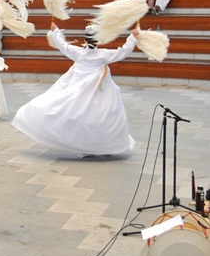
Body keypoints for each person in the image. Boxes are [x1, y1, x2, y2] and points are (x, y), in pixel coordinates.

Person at [12, 22, 139, 157]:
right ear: (98, 41)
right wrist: (133, 37)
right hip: (98, 94)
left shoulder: (78, 53)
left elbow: (62, 45)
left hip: (78, 91)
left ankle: (87, 146)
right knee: (99, 117)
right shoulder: (103, 55)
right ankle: (101, 145)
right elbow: (123, 51)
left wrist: (56, 31)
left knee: (81, 118)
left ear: (85, 40)